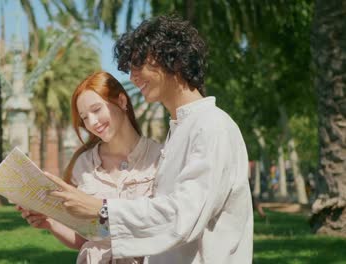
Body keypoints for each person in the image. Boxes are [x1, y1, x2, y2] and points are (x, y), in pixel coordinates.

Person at [43, 15, 253, 263]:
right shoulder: (181, 130)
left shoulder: (211, 126)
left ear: (170, 58)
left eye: (138, 65)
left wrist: (100, 208)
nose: (132, 78)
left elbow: (182, 216)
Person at [18, 71, 162, 264]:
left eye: (96, 110)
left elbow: (167, 226)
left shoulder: (159, 158)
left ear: (121, 101)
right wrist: (50, 222)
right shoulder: (83, 164)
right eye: (84, 118)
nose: (92, 123)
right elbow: (84, 240)